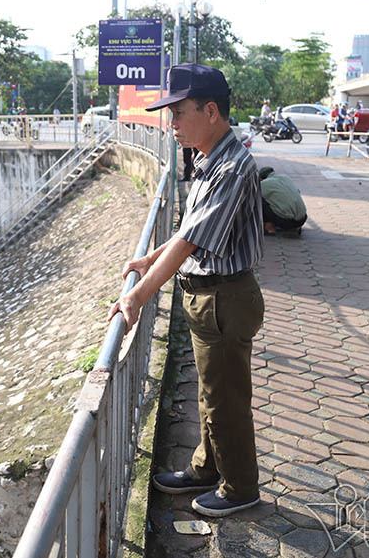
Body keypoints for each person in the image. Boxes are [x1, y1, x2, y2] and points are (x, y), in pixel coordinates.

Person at [108, 63, 265, 517]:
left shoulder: (232, 167)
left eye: (178, 113)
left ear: (211, 111)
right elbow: (185, 231)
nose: (171, 125)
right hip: (207, 296)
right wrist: (149, 259)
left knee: (226, 400)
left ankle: (240, 488)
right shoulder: (207, 158)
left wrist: (137, 296)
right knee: (210, 394)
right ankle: (206, 468)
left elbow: (189, 240)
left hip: (225, 297)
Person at [259, 167, 307, 236]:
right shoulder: (285, 177)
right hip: (303, 218)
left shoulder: (264, 184)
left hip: (286, 222)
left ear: (261, 178)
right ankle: (294, 226)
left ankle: (269, 229)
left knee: (260, 200)